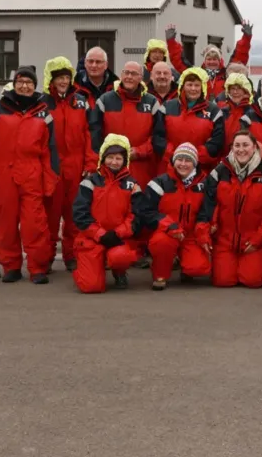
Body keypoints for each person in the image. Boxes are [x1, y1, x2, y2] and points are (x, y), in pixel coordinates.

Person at [0, 66, 59, 284]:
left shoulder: (44, 113)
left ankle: (37, 268)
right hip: (3, 177)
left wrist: (50, 180)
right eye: (20, 82)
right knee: (6, 225)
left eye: (29, 82)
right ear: (14, 84)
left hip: (32, 177)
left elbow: (50, 151)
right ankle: (11, 266)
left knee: (35, 224)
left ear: (34, 85)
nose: (24, 86)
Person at [196, 131, 262, 288]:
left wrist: (259, 239)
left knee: (253, 280)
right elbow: (207, 204)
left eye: (246, 145)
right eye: (237, 145)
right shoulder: (219, 172)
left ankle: (259, 260)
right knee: (223, 281)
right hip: (225, 240)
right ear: (232, 148)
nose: (241, 149)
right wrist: (205, 233)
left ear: (254, 147)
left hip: (255, 240)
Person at [42, 57, 98, 273]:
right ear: (51, 80)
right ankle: (46, 256)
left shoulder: (81, 102)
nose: (64, 82)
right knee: (50, 216)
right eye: (59, 78)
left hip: (77, 168)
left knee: (75, 215)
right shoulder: (43, 104)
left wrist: (90, 164)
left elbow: (89, 134)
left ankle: (71, 255)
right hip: (52, 168)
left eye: (67, 77)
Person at [71, 134, 144, 292]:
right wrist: (100, 234)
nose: (114, 162)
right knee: (91, 287)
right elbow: (80, 215)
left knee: (120, 256)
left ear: (125, 160)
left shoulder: (132, 184)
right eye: (110, 157)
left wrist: (117, 233)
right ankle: (89, 267)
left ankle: (119, 272)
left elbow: (136, 217)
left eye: (119, 158)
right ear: (103, 158)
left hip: (118, 238)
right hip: (92, 238)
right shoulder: (89, 182)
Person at [142, 142, 210, 290]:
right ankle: (160, 275)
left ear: (195, 163)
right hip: (167, 232)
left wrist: (202, 233)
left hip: (191, 234)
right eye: (180, 159)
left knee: (198, 268)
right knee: (161, 243)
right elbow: (147, 212)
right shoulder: (159, 182)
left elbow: (207, 212)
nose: (183, 164)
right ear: (174, 161)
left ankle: (185, 267)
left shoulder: (205, 183)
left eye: (188, 160)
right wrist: (170, 226)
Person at [88, 60, 166, 189]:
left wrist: (139, 151)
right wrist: (109, 155)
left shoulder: (152, 102)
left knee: (138, 199)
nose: (129, 77)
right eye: (126, 73)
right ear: (121, 75)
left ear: (141, 78)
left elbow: (158, 136)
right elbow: (94, 134)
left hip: (142, 167)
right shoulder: (105, 100)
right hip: (111, 166)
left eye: (134, 74)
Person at [161, 67, 225, 173]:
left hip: (201, 170)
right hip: (171, 167)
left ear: (202, 87)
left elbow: (217, 142)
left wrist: (193, 157)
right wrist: (176, 156)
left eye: (197, 85)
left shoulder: (214, 111)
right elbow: (158, 137)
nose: (193, 88)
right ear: (183, 86)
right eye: (189, 85)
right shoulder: (167, 107)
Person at [200, 21, 253, 97]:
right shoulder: (198, 75)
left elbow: (240, 55)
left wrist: (246, 38)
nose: (212, 62)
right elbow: (182, 64)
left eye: (215, 59)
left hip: (223, 104)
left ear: (219, 61)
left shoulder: (227, 74)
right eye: (209, 59)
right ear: (205, 61)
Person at [218, 73, 254, 151]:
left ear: (245, 91)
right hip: (224, 156)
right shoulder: (222, 112)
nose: (235, 92)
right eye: (232, 88)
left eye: (239, 89)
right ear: (228, 91)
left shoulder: (253, 112)